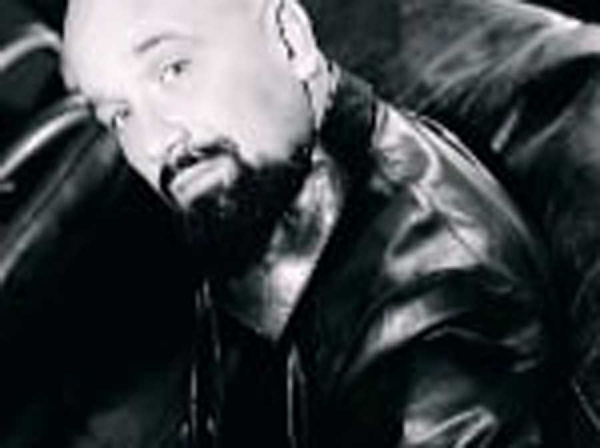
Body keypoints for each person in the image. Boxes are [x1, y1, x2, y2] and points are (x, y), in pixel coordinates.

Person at [60, 0, 553, 446]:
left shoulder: (432, 322)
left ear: (291, 40)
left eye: (173, 70)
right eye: (119, 115)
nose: (153, 142)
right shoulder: (258, 186)